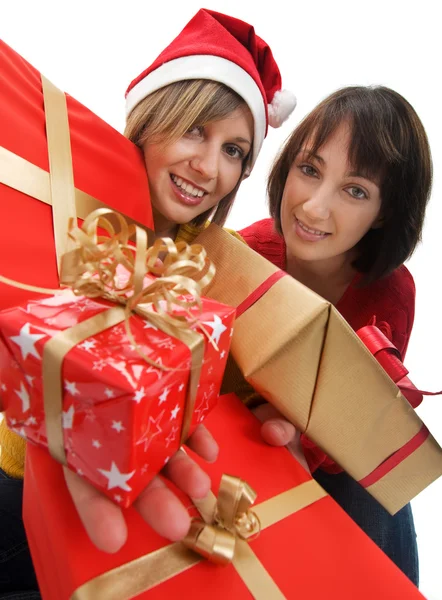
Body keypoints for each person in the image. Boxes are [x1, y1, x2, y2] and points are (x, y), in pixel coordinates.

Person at [0, 8, 295, 598]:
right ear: (150, 118)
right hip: (17, 489)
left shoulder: (225, 263)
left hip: (140, 509)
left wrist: (270, 418)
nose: (210, 168)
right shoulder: (60, 210)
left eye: (235, 150)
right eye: (195, 130)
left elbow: (227, 399)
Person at [239, 85, 432, 586]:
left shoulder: (390, 294)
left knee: (378, 499)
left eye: (355, 190)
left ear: (385, 213)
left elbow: (356, 423)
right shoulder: (243, 255)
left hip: (323, 456)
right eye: (309, 170)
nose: (313, 208)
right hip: (235, 443)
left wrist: (307, 447)